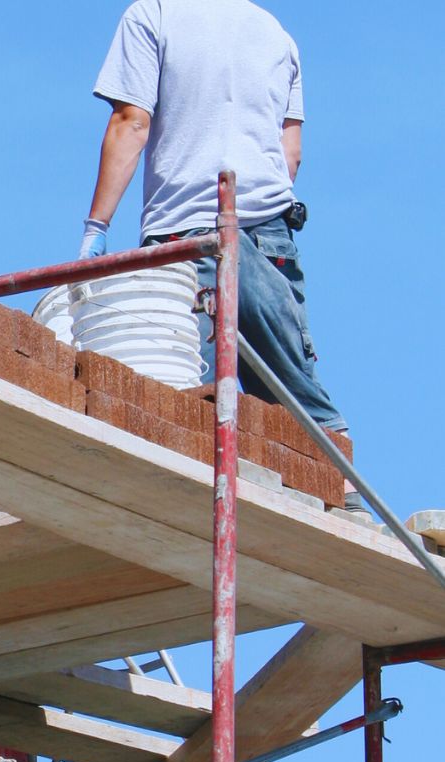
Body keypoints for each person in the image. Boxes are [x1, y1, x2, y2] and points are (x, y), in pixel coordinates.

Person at [80, 0, 360, 509]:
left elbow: (130, 123)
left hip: (187, 241)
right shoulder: (277, 34)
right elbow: (289, 150)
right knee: (283, 411)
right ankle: (343, 497)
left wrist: (95, 230)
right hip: (271, 236)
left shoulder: (154, 14)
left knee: (191, 410)